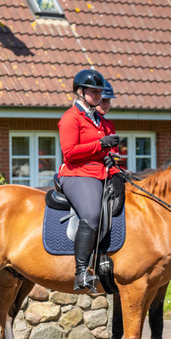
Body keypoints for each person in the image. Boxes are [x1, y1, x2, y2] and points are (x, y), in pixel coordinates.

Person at [58, 69, 120, 291]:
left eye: (99, 92)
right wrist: (100, 144)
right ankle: (81, 272)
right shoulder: (70, 118)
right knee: (92, 214)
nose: (98, 95)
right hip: (77, 173)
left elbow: (105, 151)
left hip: (100, 172)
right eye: (93, 92)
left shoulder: (98, 119)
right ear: (80, 91)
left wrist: (111, 159)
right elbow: (69, 152)